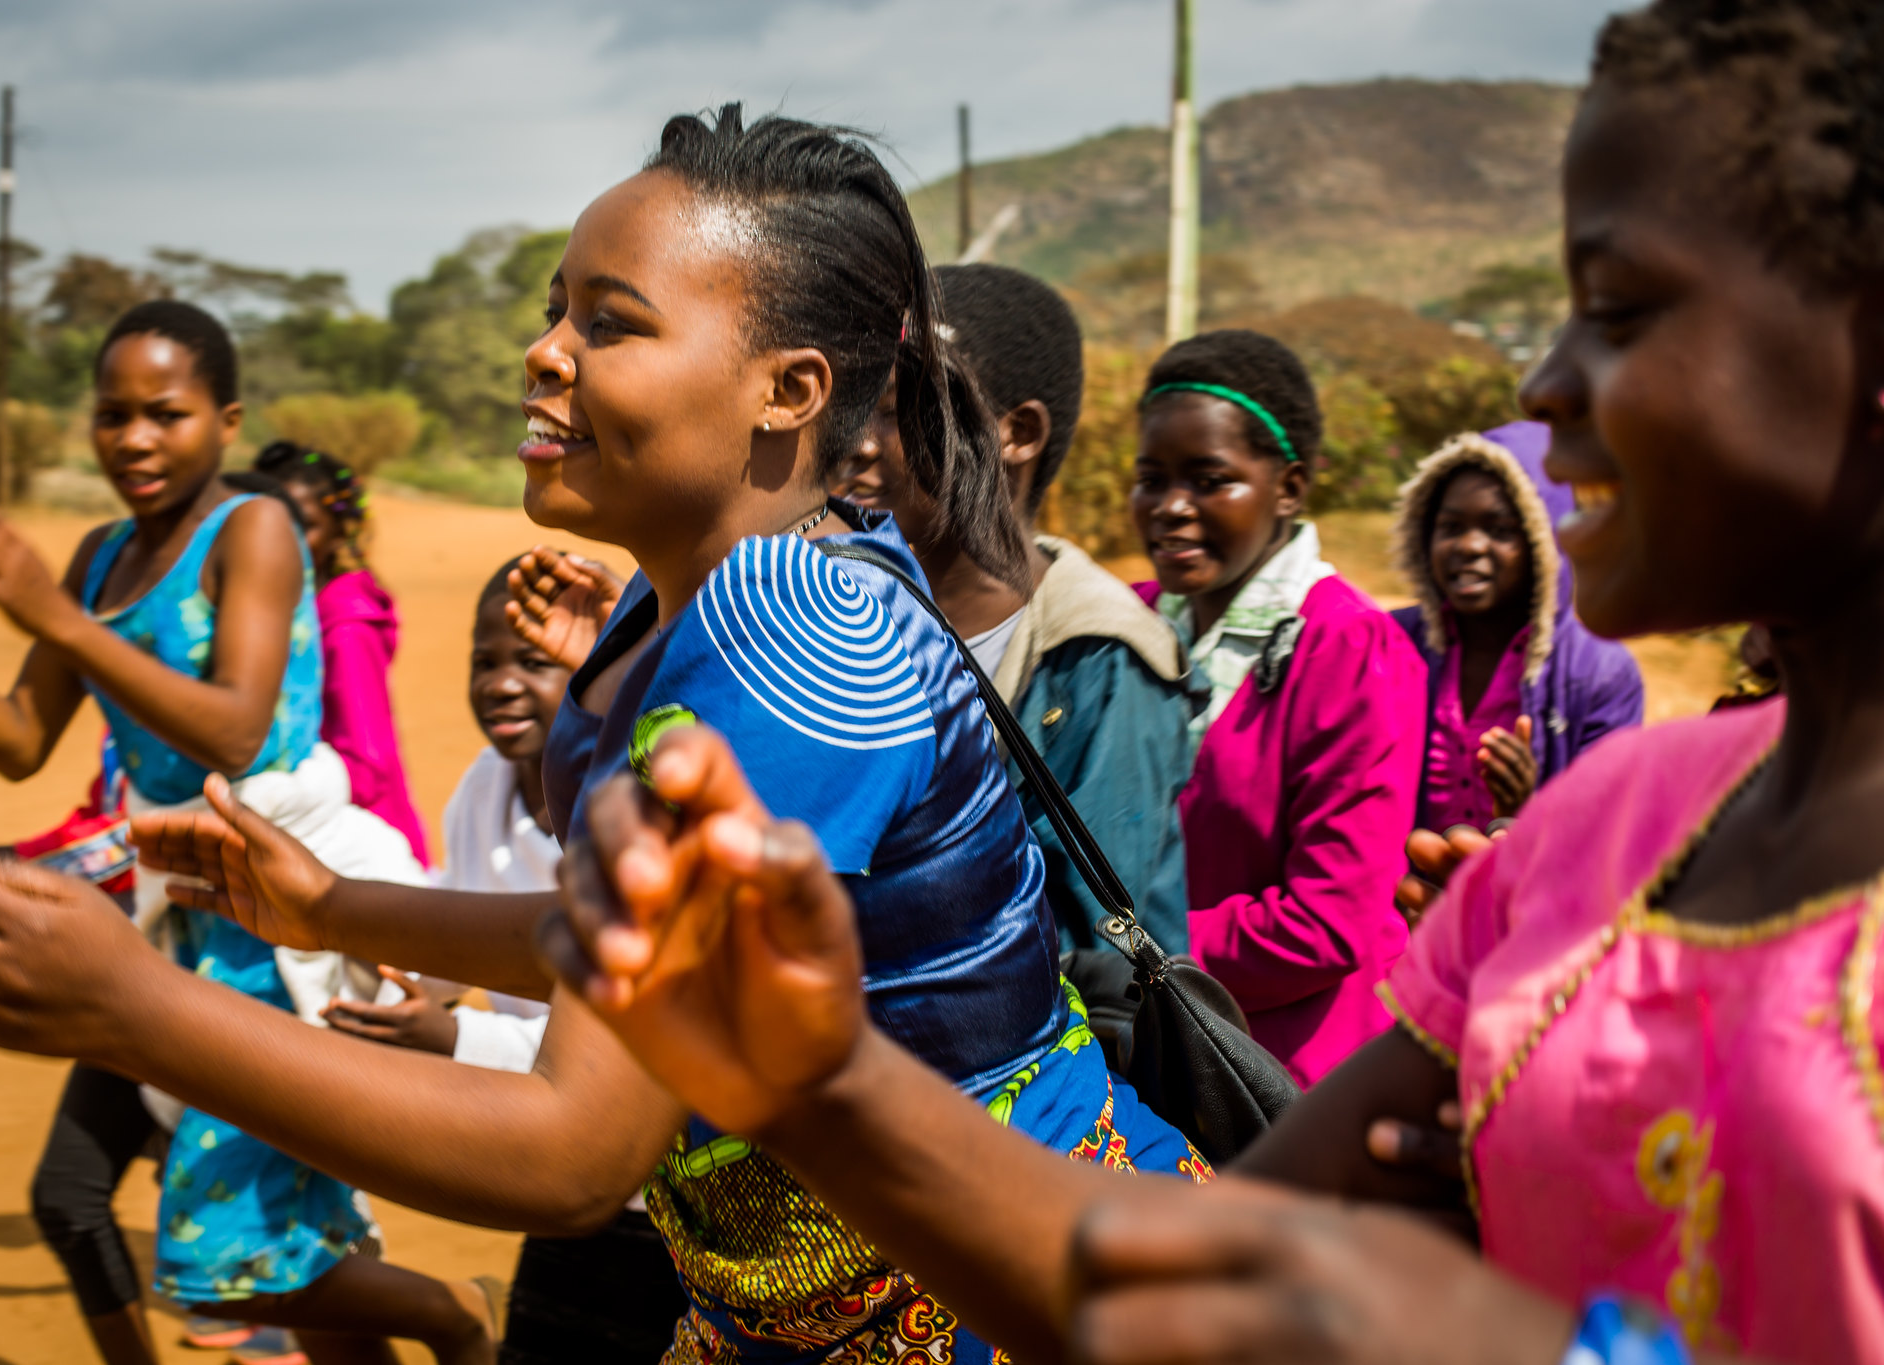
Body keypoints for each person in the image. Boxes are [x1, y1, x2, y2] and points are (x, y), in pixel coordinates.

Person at [389, 3, 1884, 1360]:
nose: (1547, 386)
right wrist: (831, 1077)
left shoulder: (879, 622)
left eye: (1618, 312)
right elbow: (1223, 1262)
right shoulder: (1606, 834)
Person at [0, 106, 1209, 1365]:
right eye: (555, 309)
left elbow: (574, 1150)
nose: (545, 350)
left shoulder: (804, 632)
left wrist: (138, 1009)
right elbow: (624, 941)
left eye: (610, 322)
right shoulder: (740, 597)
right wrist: (327, 904)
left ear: (789, 388)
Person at [0, 299, 493, 1365]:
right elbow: (16, 739)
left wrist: (56, 622)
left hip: (275, 918)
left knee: (222, 1259)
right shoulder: (98, 559)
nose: (134, 439)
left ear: (225, 421)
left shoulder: (255, 530)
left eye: (165, 413)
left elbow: (236, 727)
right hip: (170, 921)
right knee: (269, 1243)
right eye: (111, 415)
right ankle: (441, 1321)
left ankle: (455, 1316)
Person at [322, 557, 689, 1365]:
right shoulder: (485, 784)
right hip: (565, 1175)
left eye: (534, 660)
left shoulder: (638, 807)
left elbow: (620, 1044)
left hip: (677, 1194)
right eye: (484, 661)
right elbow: (455, 927)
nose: (501, 683)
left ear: (603, 680)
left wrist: (454, 1040)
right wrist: (397, 990)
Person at [830, 263, 1190, 954]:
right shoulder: (845, 613)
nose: (859, 443)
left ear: (1016, 432)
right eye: (856, 407)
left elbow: (1099, 948)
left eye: (901, 409)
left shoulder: (1100, 660)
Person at [1130, 329, 1425, 1086]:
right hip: (1152, 1040)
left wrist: (1132, 948)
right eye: (1150, 477)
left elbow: (1328, 923)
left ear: (1288, 488)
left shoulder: (1352, 649)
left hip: (1287, 1074)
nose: (1169, 507)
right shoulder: (1128, 622)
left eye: (1208, 479)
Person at [1390, 422, 1644, 828]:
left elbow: (1603, 830)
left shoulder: (1601, 675)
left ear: (1545, 544)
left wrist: (1526, 811)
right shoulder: (1390, 644)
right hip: (1400, 890)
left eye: (1501, 530)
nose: (1469, 547)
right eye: (1451, 527)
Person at [251, 442, 430, 866]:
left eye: (305, 526)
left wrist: (266, 792)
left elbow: (366, 767)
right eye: (270, 523)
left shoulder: (345, 626)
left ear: (338, 532)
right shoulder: (284, 606)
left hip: (359, 854)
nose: (284, 541)